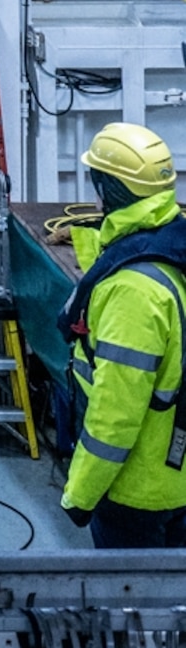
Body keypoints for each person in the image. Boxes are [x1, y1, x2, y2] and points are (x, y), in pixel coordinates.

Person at [59, 121, 186, 547]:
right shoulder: (173, 244)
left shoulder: (133, 290)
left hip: (137, 492)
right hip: (175, 477)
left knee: (133, 592)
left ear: (106, 189)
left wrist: (81, 494)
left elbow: (116, 414)